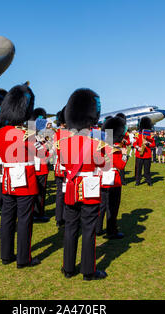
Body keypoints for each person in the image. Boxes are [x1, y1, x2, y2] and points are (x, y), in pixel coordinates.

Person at [0, 83, 45, 268]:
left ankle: (6, 255)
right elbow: (44, 154)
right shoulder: (26, 134)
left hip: (7, 180)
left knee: (7, 218)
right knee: (24, 220)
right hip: (26, 180)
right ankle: (24, 258)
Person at [59, 88, 107, 281]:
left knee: (70, 228)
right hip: (89, 188)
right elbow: (104, 164)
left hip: (71, 187)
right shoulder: (97, 143)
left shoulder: (64, 142)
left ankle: (68, 268)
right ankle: (88, 271)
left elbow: (62, 165)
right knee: (88, 229)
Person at [96, 116, 127, 239]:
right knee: (112, 208)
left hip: (101, 179)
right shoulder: (116, 149)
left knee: (101, 206)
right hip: (114, 181)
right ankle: (111, 231)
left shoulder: (101, 146)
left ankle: (97, 229)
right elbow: (121, 165)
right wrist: (124, 155)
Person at [30, 108, 51, 223]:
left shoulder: (34, 135)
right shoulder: (35, 137)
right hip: (40, 167)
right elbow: (42, 152)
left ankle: (36, 212)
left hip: (35, 166)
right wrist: (47, 145)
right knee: (40, 193)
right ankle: (38, 214)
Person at [53, 107, 70, 227]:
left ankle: (59, 218)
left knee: (60, 193)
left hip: (58, 167)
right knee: (67, 193)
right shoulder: (70, 133)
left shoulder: (56, 134)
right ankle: (65, 216)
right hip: (67, 167)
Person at [133, 117, 155, 186]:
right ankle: (137, 181)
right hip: (139, 154)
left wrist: (147, 143)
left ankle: (148, 181)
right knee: (138, 170)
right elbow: (134, 144)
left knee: (147, 170)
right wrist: (138, 148)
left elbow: (153, 145)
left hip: (147, 155)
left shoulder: (150, 136)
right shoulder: (138, 135)